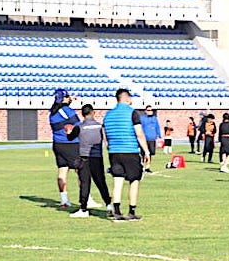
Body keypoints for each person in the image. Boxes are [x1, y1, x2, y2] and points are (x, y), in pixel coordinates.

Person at [103, 88, 151, 221]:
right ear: (125, 98)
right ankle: (131, 211)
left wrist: (110, 147)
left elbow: (105, 135)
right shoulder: (132, 113)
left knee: (117, 181)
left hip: (114, 152)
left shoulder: (108, 114)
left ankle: (117, 211)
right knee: (134, 180)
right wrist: (146, 151)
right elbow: (139, 134)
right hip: (130, 151)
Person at [66, 104, 113, 218]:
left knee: (85, 183)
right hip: (97, 157)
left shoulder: (79, 127)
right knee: (101, 182)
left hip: (84, 158)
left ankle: (83, 209)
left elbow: (70, 137)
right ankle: (109, 205)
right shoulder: (100, 126)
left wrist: (68, 132)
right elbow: (106, 140)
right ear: (93, 113)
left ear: (82, 114)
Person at [48, 88, 81, 208]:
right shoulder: (66, 110)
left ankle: (64, 200)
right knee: (81, 171)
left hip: (57, 144)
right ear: (64, 98)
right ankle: (86, 199)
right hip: (71, 144)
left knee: (62, 170)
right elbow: (78, 125)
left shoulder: (52, 112)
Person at [139, 105, 161, 173]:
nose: (150, 112)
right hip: (144, 139)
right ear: (145, 111)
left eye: (151, 110)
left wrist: (159, 135)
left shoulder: (155, 118)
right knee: (143, 153)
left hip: (152, 139)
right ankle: (142, 166)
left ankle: (147, 167)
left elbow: (157, 127)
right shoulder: (142, 118)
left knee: (150, 153)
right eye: (148, 110)